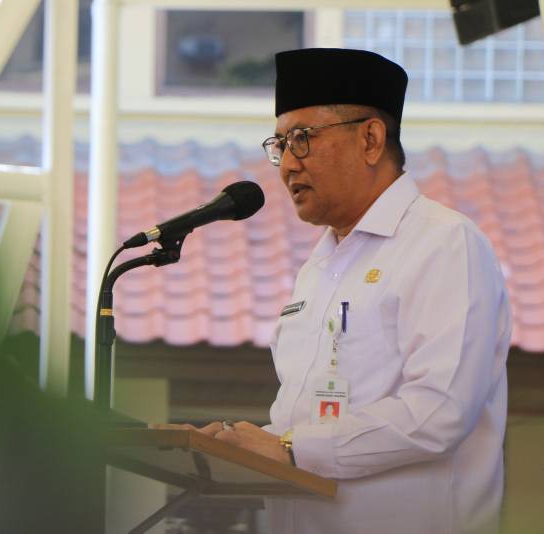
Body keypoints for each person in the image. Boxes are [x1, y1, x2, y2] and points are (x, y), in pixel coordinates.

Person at [182, 48, 512, 534]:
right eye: (279, 145)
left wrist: (289, 448)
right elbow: (311, 424)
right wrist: (239, 445)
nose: (286, 165)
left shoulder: (443, 243)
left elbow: (439, 412)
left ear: (370, 139)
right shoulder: (318, 267)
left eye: (302, 139)